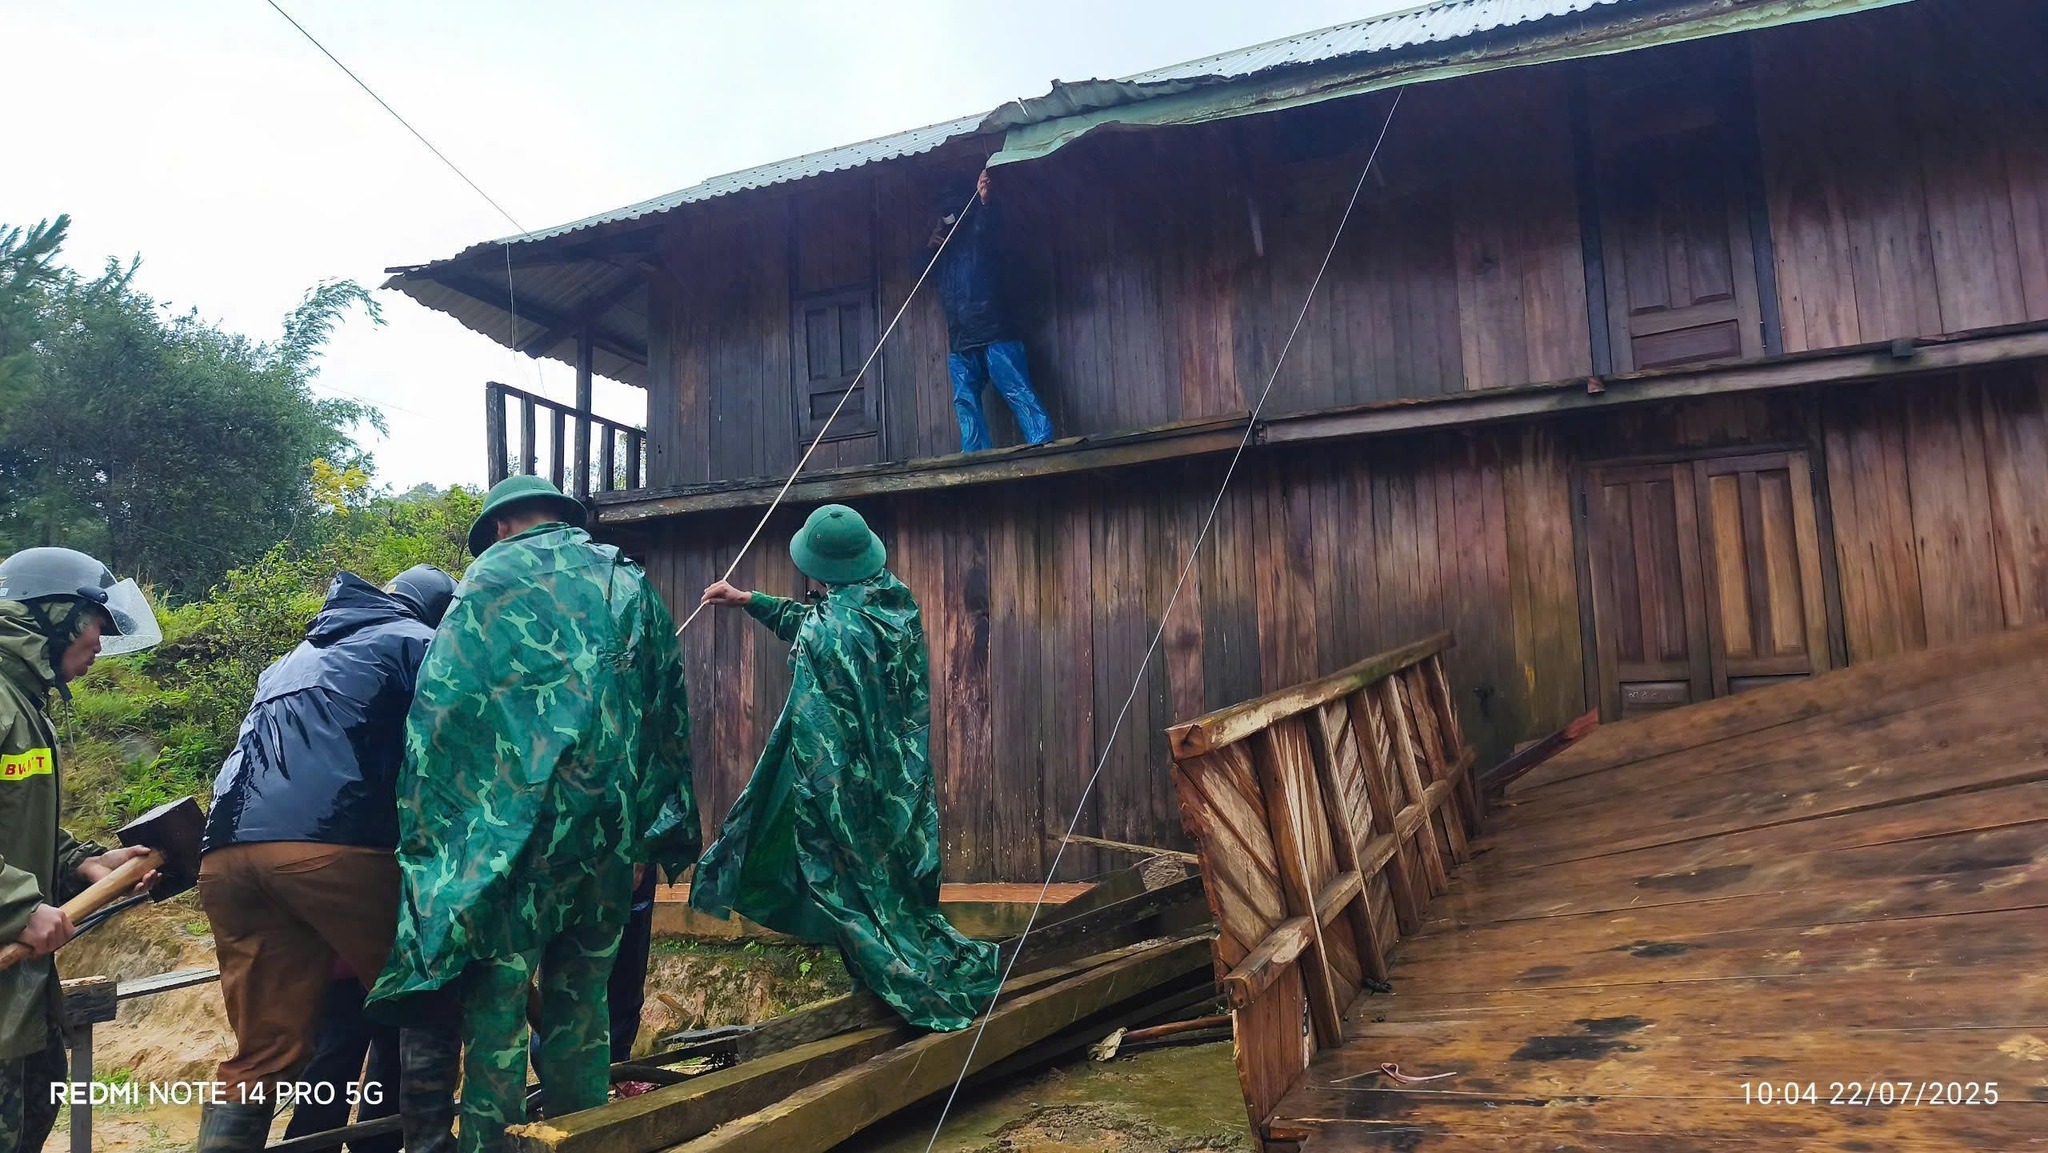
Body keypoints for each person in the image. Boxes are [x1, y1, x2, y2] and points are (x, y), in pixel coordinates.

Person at [367, 475, 698, 1153]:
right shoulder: (626, 580)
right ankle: (583, 1140)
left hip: (506, 844)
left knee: (498, 1013)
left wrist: (441, 850)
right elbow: (666, 715)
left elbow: (438, 723)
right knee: (584, 1010)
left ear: (499, 527)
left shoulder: (482, 583)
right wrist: (650, 837)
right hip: (605, 842)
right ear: (564, 519)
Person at [693, 504, 1000, 1031]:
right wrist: (749, 601)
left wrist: (813, 805)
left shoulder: (828, 631)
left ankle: (897, 993)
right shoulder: (893, 602)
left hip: (845, 790)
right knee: (896, 887)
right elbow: (817, 622)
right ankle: (889, 992)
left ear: (817, 567)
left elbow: (819, 724)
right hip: (899, 782)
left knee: (849, 891)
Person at [195, 564, 456, 1151]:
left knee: (264, 1050)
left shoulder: (288, 661)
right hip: (329, 849)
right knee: (425, 999)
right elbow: (458, 744)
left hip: (226, 855)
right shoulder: (416, 642)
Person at [0, 547, 163, 1153]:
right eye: (97, 624)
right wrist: (17, 904)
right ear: (58, 615)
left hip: (20, 999)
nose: (101, 643)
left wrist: (82, 863)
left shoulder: (22, 702)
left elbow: (17, 824)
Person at [927, 169, 1054, 454]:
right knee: (965, 400)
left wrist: (985, 202)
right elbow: (919, 271)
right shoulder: (942, 247)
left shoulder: (979, 229)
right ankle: (974, 455)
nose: (948, 215)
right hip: (961, 338)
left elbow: (991, 232)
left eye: (952, 208)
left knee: (1015, 387)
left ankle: (1042, 443)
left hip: (995, 329)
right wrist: (929, 247)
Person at [278, 956, 399, 1153]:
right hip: (360, 961)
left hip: (363, 962)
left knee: (387, 1061)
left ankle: (375, 1145)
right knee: (337, 1062)